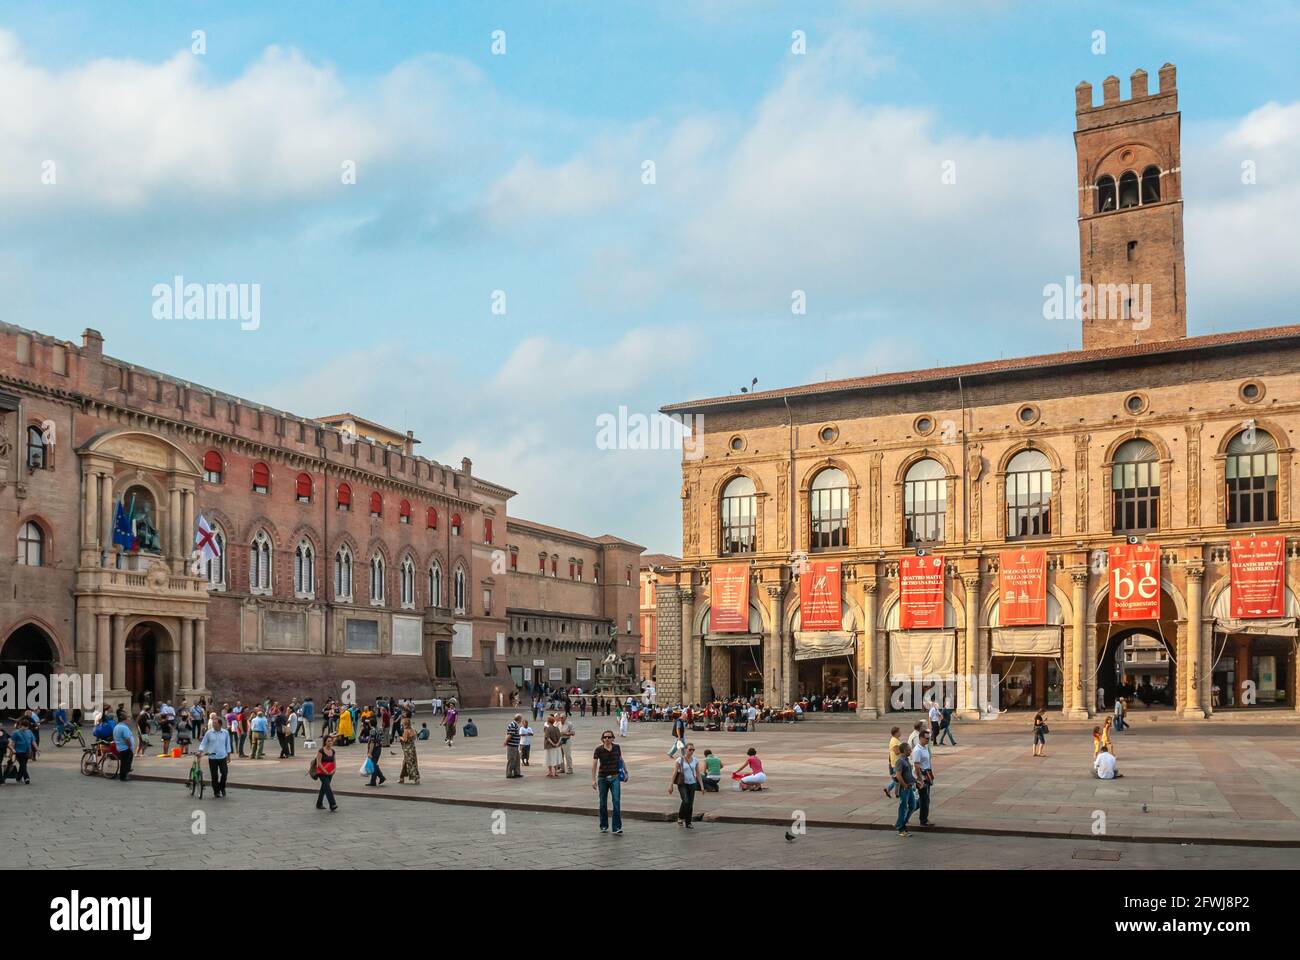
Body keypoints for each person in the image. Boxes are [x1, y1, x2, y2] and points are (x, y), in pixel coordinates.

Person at [592, 730, 625, 835]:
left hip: (615, 777)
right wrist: (593, 780)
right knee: (603, 803)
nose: (607, 739)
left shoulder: (617, 747)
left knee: (616, 801)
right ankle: (604, 825)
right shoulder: (598, 749)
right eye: (605, 737)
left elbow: (620, 760)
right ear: (602, 739)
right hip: (602, 778)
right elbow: (594, 765)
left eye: (609, 737)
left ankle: (616, 827)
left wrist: (626, 771)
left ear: (612, 738)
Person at [197, 715, 232, 798]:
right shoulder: (209, 733)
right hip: (212, 757)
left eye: (215, 723)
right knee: (214, 775)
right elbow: (203, 743)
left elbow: (228, 744)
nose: (213, 724)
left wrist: (229, 755)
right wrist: (200, 751)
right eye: (213, 723)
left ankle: (222, 787)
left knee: (224, 773)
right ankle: (216, 792)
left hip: (222, 756)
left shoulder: (225, 732)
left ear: (220, 724)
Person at [671, 742, 702, 828]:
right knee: (685, 801)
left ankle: (688, 822)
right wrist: (670, 785)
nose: (691, 751)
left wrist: (702, 786)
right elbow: (674, 772)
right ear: (685, 750)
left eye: (693, 750)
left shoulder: (695, 760)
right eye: (690, 749)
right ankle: (681, 817)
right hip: (682, 784)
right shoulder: (679, 760)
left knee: (690, 803)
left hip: (692, 783)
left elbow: (698, 773)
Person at [912, 729, 935, 827]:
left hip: (927, 774)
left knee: (925, 799)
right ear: (920, 738)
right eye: (926, 738)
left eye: (929, 738)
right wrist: (920, 779)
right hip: (922, 776)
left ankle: (922, 817)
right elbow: (916, 766)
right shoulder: (917, 750)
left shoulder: (924, 747)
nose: (928, 740)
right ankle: (923, 820)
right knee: (924, 799)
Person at [894, 742, 917, 837]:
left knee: (913, 805)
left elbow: (909, 774)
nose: (910, 751)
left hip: (909, 786)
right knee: (903, 808)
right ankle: (901, 829)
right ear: (903, 751)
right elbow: (898, 776)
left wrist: (916, 781)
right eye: (908, 750)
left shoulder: (906, 760)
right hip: (904, 788)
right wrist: (905, 785)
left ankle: (901, 822)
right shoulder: (900, 761)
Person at [313, 735, 339, 811]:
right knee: (327, 788)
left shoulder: (333, 751)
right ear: (325, 742)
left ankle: (319, 803)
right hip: (322, 772)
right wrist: (325, 771)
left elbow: (334, 762)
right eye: (328, 741)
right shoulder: (321, 751)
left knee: (324, 788)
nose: (330, 742)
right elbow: (319, 763)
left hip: (330, 773)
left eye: (331, 741)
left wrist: (334, 770)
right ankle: (332, 804)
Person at [113, 710, 137, 781]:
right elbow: (127, 739)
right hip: (126, 748)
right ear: (125, 720)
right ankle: (123, 777)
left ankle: (123, 775)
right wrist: (130, 746)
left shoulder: (117, 726)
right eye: (128, 718)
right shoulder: (124, 728)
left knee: (124, 763)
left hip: (120, 747)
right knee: (125, 763)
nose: (129, 720)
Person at [10, 718, 36, 784]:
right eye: (24, 726)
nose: (25, 728)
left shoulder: (29, 732)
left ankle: (18, 777)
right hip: (18, 751)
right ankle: (26, 778)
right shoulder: (15, 733)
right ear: (20, 726)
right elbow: (13, 743)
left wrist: (37, 749)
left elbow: (33, 741)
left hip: (27, 751)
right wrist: (12, 751)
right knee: (23, 765)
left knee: (23, 765)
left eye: (27, 726)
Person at [398, 719, 420, 785]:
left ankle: (416, 778)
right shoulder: (413, 730)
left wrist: (400, 738)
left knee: (410, 763)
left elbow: (405, 740)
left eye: (403, 723)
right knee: (408, 762)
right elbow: (414, 737)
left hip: (407, 749)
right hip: (412, 748)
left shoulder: (406, 731)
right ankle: (401, 778)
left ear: (405, 724)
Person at [883, 726, 902, 798]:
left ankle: (897, 793)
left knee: (897, 778)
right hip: (896, 762)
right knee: (897, 778)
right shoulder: (894, 741)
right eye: (899, 731)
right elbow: (897, 752)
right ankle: (888, 789)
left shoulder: (895, 739)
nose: (901, 732)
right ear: (896, 733)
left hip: (896, 761)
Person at [505, 714, 523, 779]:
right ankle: (509, 773)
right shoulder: (513, 725)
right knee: (512, 759)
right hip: (512, 745)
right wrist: (506, 742)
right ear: (519, 719)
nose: (522, 720)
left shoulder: (516, 725)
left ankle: (517, 773)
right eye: (521, 718)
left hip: (515, 745)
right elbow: (510, 735)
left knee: (517, 759)